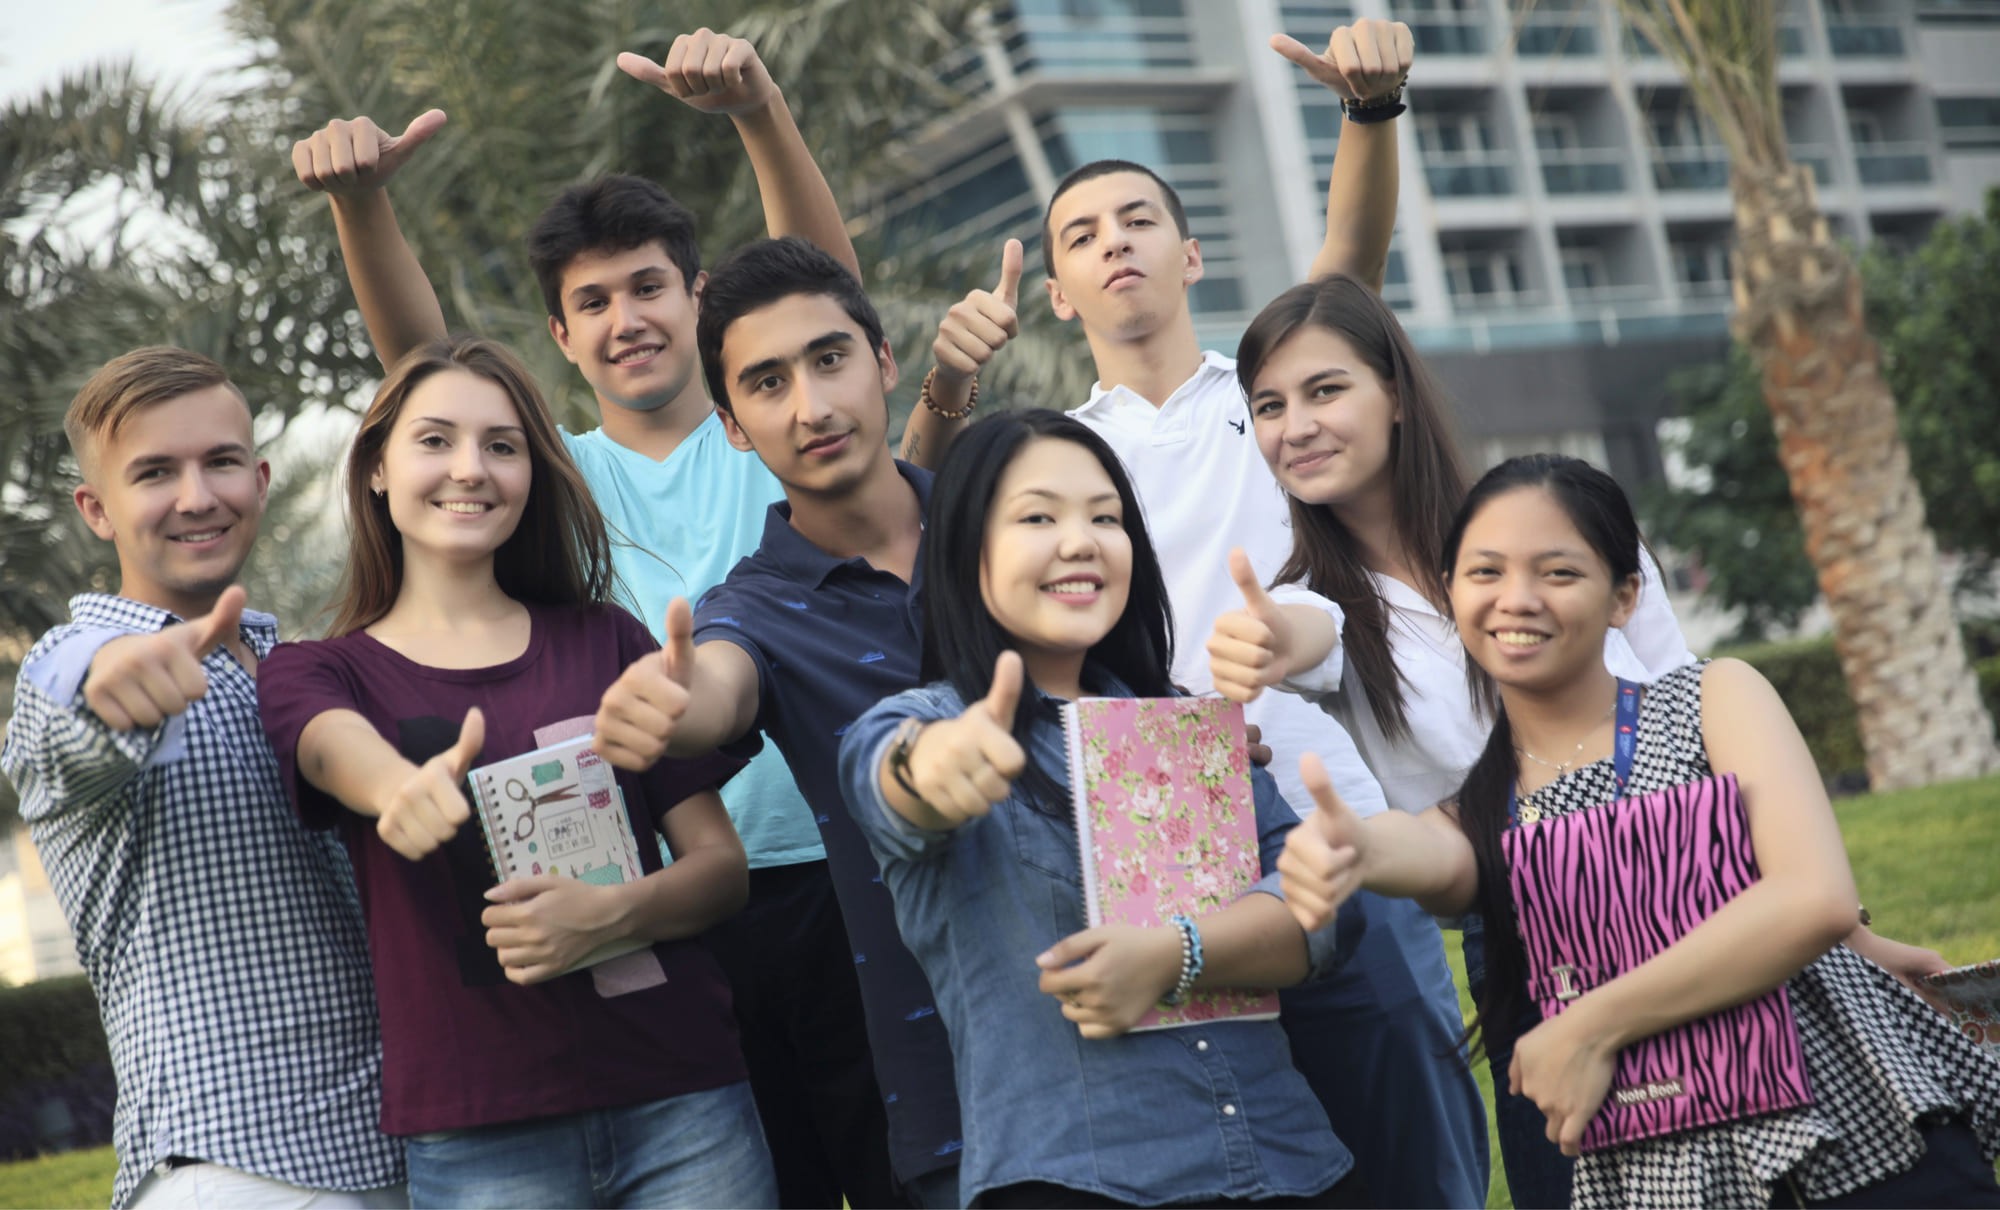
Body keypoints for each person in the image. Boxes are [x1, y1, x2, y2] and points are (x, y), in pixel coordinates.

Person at [290, 30, 928, 1206]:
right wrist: (363, 206)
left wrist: (759, 111)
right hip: (675, 895)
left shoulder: (764, 432)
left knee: (901, 1171)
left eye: (647, 286)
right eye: (591, 301)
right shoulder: (557, 475)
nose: (625, 316)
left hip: (845, 874)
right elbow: (425, 375)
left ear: (697, 297)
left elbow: (819, 299)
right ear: (561, 336)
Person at [1216, 272, 1964, 1207]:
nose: (1297, 426)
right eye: (1270, 406)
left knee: (1831, 1163)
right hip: (1537, 941)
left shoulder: (1563, 517)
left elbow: (1701, 730)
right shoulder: (1321, 602)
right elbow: (1306, 633)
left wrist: (1850, 937)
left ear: (1395, 394)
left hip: (1712, 895)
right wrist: (1270, 645)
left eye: (1326, 390)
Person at [925, 20, 1490, 1205]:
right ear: (1058, 293)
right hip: (1157, 851)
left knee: (1415, 1138)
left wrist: (1369, 112)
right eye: (1080, 234)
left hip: (1335, 823)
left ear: (1188, 254)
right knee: (1262, 1153)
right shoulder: (1064, 458)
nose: (1112, 242)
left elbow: (1348, 269)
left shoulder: (1275, 403)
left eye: (1137, 219)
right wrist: (943, 391)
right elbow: (925, 518)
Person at [256, 335, 771, 1209]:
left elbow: (721, 870)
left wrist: (612, 915)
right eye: (435, 440)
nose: (471, 469)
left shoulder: (606, 639)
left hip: (683, 1103)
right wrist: (396, 788)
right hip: (477, 1134)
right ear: (376, 466)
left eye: (502, 445)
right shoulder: (318, 672)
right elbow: (326, 746)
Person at [835, 408, 1367, 1209]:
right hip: (1075, 1180)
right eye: (1038, 517)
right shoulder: (925, 723)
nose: (1080, 542)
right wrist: (937, 767)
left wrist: (1176, 954)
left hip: (1288, 1162)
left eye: (1105, 518)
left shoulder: (1183, 725)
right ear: (966, 548)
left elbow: (1324, 915)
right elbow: (890, 778)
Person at [590, 235, 969, 1206]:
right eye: (767, 383)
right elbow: (718, 685)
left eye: (829, 359)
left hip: (1133, 1039)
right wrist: (671, 705)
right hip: (953, 1104)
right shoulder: (753, 611)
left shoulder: (1012, 529)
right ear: (732, 425)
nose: (811, 406)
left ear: (884, 361)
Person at [0, 348, 404, 1209]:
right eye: (155, 473)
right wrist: (112, 683)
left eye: (220, 461)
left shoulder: (302, 670)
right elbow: (73, 707)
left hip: (398, 1153)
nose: (196, 496)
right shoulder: (70, 665)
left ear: (260, 481)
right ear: (95, 509)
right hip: (231, 1167)